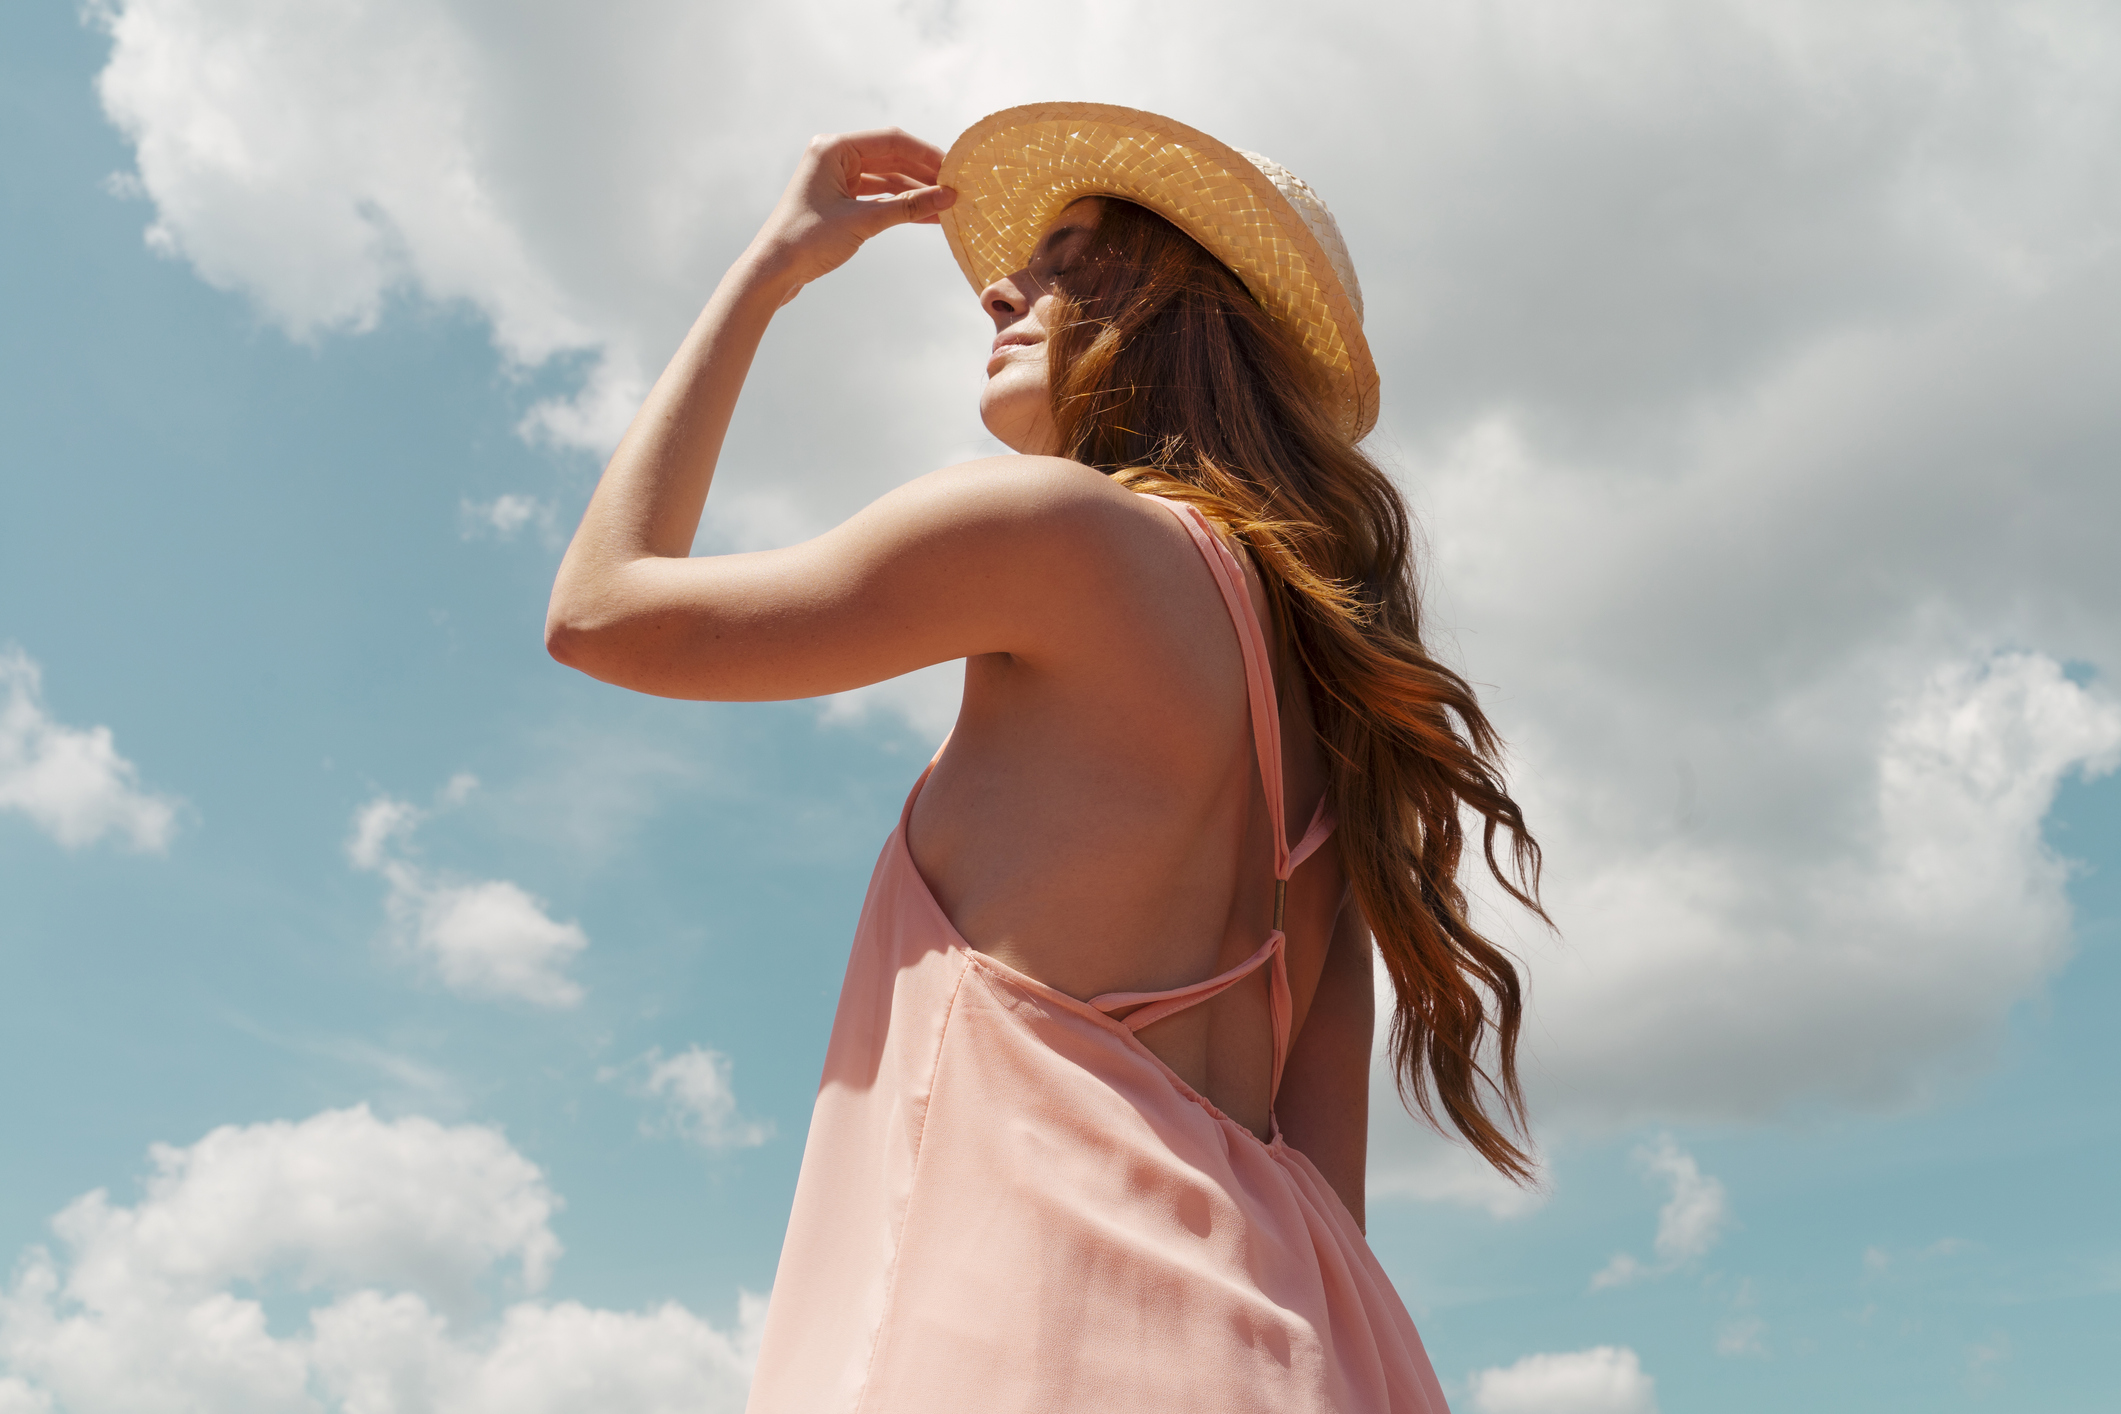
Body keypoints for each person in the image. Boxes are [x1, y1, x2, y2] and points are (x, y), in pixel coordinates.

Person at [547, 103, 1544, 1414]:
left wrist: (765, 276)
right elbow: (1324, 1185)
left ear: (1186, 316)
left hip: (1021, 1340)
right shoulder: (1336, 725)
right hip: (1304, 1349)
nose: (1002, 287)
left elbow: (600, 612)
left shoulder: (1044, 527)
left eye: (1073, 259)